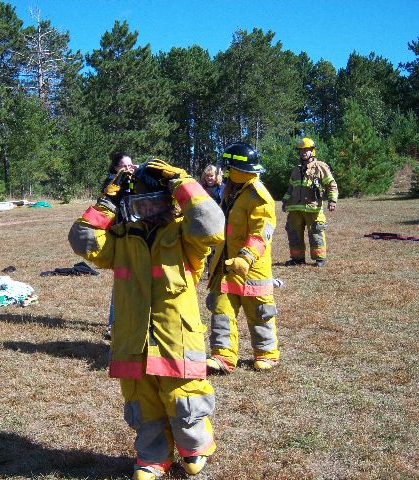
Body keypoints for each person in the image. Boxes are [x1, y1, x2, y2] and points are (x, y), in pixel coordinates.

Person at [69, 159, 225, 480]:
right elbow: (81, 239)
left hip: (176, 339)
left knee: (184, 401)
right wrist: (106, 202)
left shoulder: (184, 234)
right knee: (143, 405)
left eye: (154, 202)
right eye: (140, 203)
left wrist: (180, 180)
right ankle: (153, 457)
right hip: (133, 340)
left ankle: (195, 448)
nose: (148, 210)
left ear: (168, 201)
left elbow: (211, 224)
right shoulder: (122, 239)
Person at [205, 142, 280, 374]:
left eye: (228, 167)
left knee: (260, 313)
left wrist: (246, 257)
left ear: (236, 168)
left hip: (251, 268)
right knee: (222, 311)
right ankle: (223, 356)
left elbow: (262, 232)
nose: (225, 171)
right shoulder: (231, 190)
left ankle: (266, 354)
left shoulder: (258, 195)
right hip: (226, 266)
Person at [282, 137, 338, 267]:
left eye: (306, 150)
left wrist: (332, 200)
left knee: (316, 233)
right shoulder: (296, 170)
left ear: (312, 151)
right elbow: (290, 188)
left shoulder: (320, 167)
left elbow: (331, 184)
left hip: (313, 208)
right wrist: (285, 201)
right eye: (301, 150)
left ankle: (319, 259)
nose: (303, 152)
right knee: (294, 234)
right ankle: (297, 259)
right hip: (295, 209)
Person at [102, 151, 136, 340]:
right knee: (121, 282)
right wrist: (121, 179)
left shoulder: (132, 179)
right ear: (116, 167)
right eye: (125, 166)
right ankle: (112, 325)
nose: (129, 168)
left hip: (135, 234)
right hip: (120, 236)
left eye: (131, 165)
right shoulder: (111, 183)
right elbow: (108, 198)